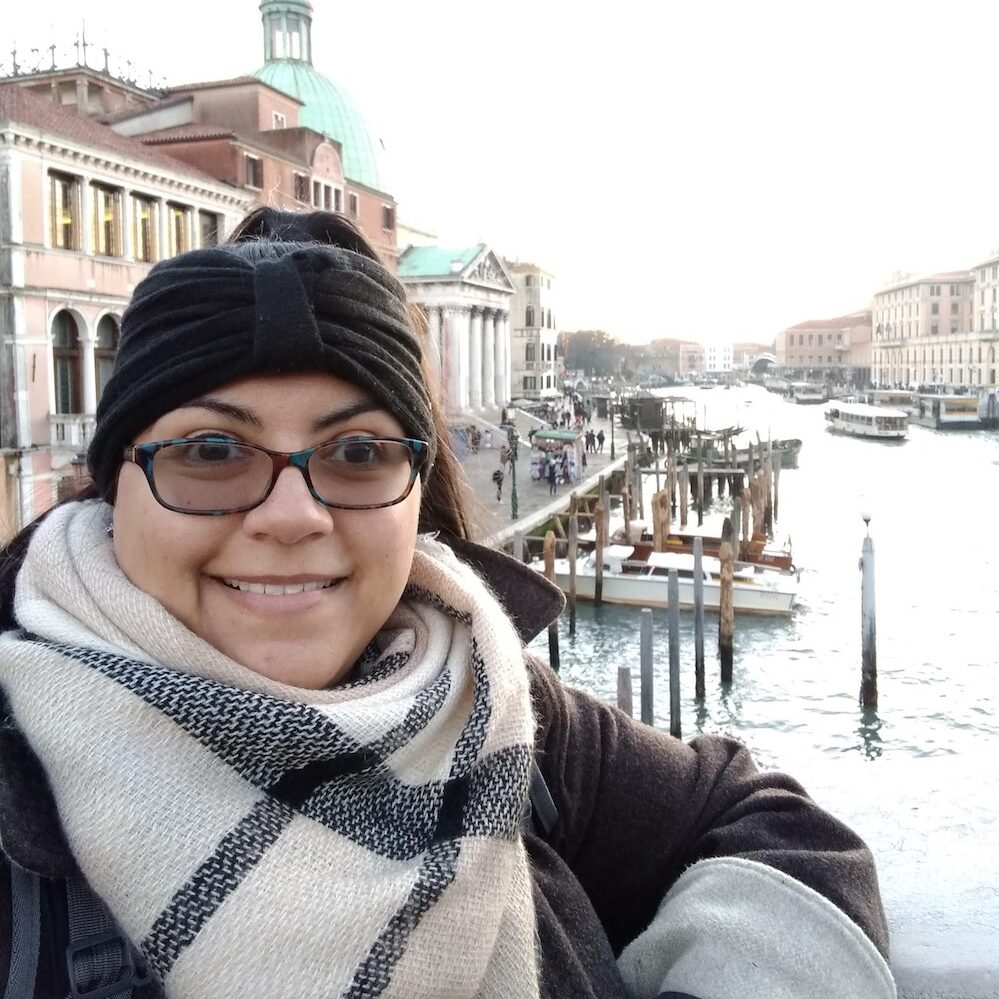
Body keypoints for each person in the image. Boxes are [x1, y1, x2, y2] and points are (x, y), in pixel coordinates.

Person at [0, 208, 895, 999]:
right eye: (208, 450)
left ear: (414, 489)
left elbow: (780, 830)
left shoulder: (499, 706)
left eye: (356, 454)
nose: (290, 516)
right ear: (109, 483)